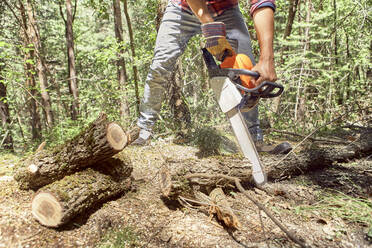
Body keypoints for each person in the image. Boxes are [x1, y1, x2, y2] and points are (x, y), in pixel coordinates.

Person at [132, 0, 292, 154]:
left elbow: (261, 3)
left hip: (226, 9)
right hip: (181, 9)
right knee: (161, 65)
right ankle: (143, 130)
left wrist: (267, 58)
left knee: (246, 70)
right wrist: (210, 25)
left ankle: (253, 137)